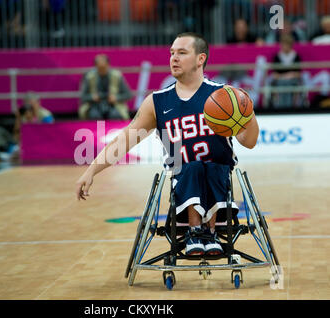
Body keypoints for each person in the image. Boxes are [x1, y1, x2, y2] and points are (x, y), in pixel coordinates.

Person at [75, 33, 259, 256]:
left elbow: (248, 142)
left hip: (220, 180)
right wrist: (91, 169)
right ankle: (194, 232)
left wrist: (247, 114)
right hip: (182, 183)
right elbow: (124, 140)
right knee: (190, 166)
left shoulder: (222, 96)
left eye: (182, 53)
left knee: (210, 166)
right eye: (172, 53)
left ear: (201, 59)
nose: (174, 58)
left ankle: (209, 233)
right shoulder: (157, 101)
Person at [0, 91, 54, 161]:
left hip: (37, 142)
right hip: (22, 141)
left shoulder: (45, 115)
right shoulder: (24, 115)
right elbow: (16, 133)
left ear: (38, 103)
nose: (29, 107)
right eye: (27, 104)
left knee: (19, 150)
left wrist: (33, 118)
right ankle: (3, 150)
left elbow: (47, 134)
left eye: (31, 104)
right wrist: (18, 117)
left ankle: (6, 154)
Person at [78, 54, 132, 120]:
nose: (102, 69)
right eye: (100, 68)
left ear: (108, 65)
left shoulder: (117, 76)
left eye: (103, 67)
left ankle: (113, 130)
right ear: (95, 66)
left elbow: (128, 95)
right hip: (94, 105)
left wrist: (116, 98)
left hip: (114, 105)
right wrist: (92, 97)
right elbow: (82, 96)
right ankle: (97, 130)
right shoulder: (89, 77)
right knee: (94, 116)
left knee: (115, 116)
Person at [270, 34, 304, 109]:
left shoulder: (295, 56)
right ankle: (280, 107)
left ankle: (290, 107)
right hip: (280, 80)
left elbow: (298, 74)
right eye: (283, 44)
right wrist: (284, 77)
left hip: (293, 80)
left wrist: (290, 76)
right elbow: (275, 74)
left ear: (290, 45)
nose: (284, 46)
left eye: (286, 44)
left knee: (289, 84)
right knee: (282, 83)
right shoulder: (277, 57)